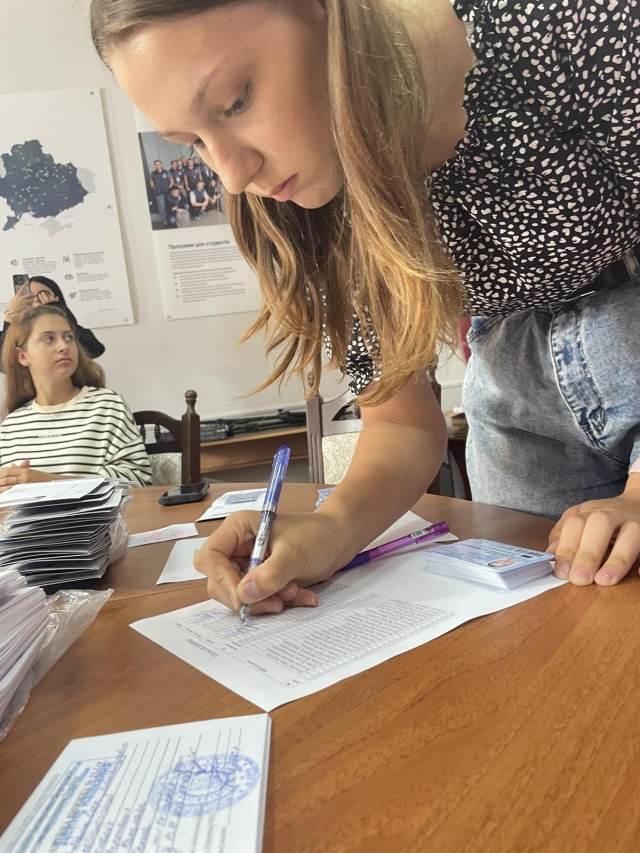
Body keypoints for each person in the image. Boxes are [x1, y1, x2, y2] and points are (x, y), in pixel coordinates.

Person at [91, 0, 640, 615]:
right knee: (550, 628)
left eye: (236, 101)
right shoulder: (319, 197)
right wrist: (331, 529)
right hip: (517, 403)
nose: (234, 176)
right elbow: (401, 421)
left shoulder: (551, 21)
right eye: (193, 141)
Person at [0, 304, 152, 489]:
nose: (64, 346)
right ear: (23, 356)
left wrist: (48, 482)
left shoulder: (107, 406)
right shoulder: (11, 426)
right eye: (49, 339)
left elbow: (139, 480)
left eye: (68, 337)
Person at [1, 276, 105, 361]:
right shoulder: (20, 330)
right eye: (30, 296)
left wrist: (56, 310)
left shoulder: (65, 320)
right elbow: (4, 361)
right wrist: (10, 316)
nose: (37, 299)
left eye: (44, 294)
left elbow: (94, 349)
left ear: (56, 298)